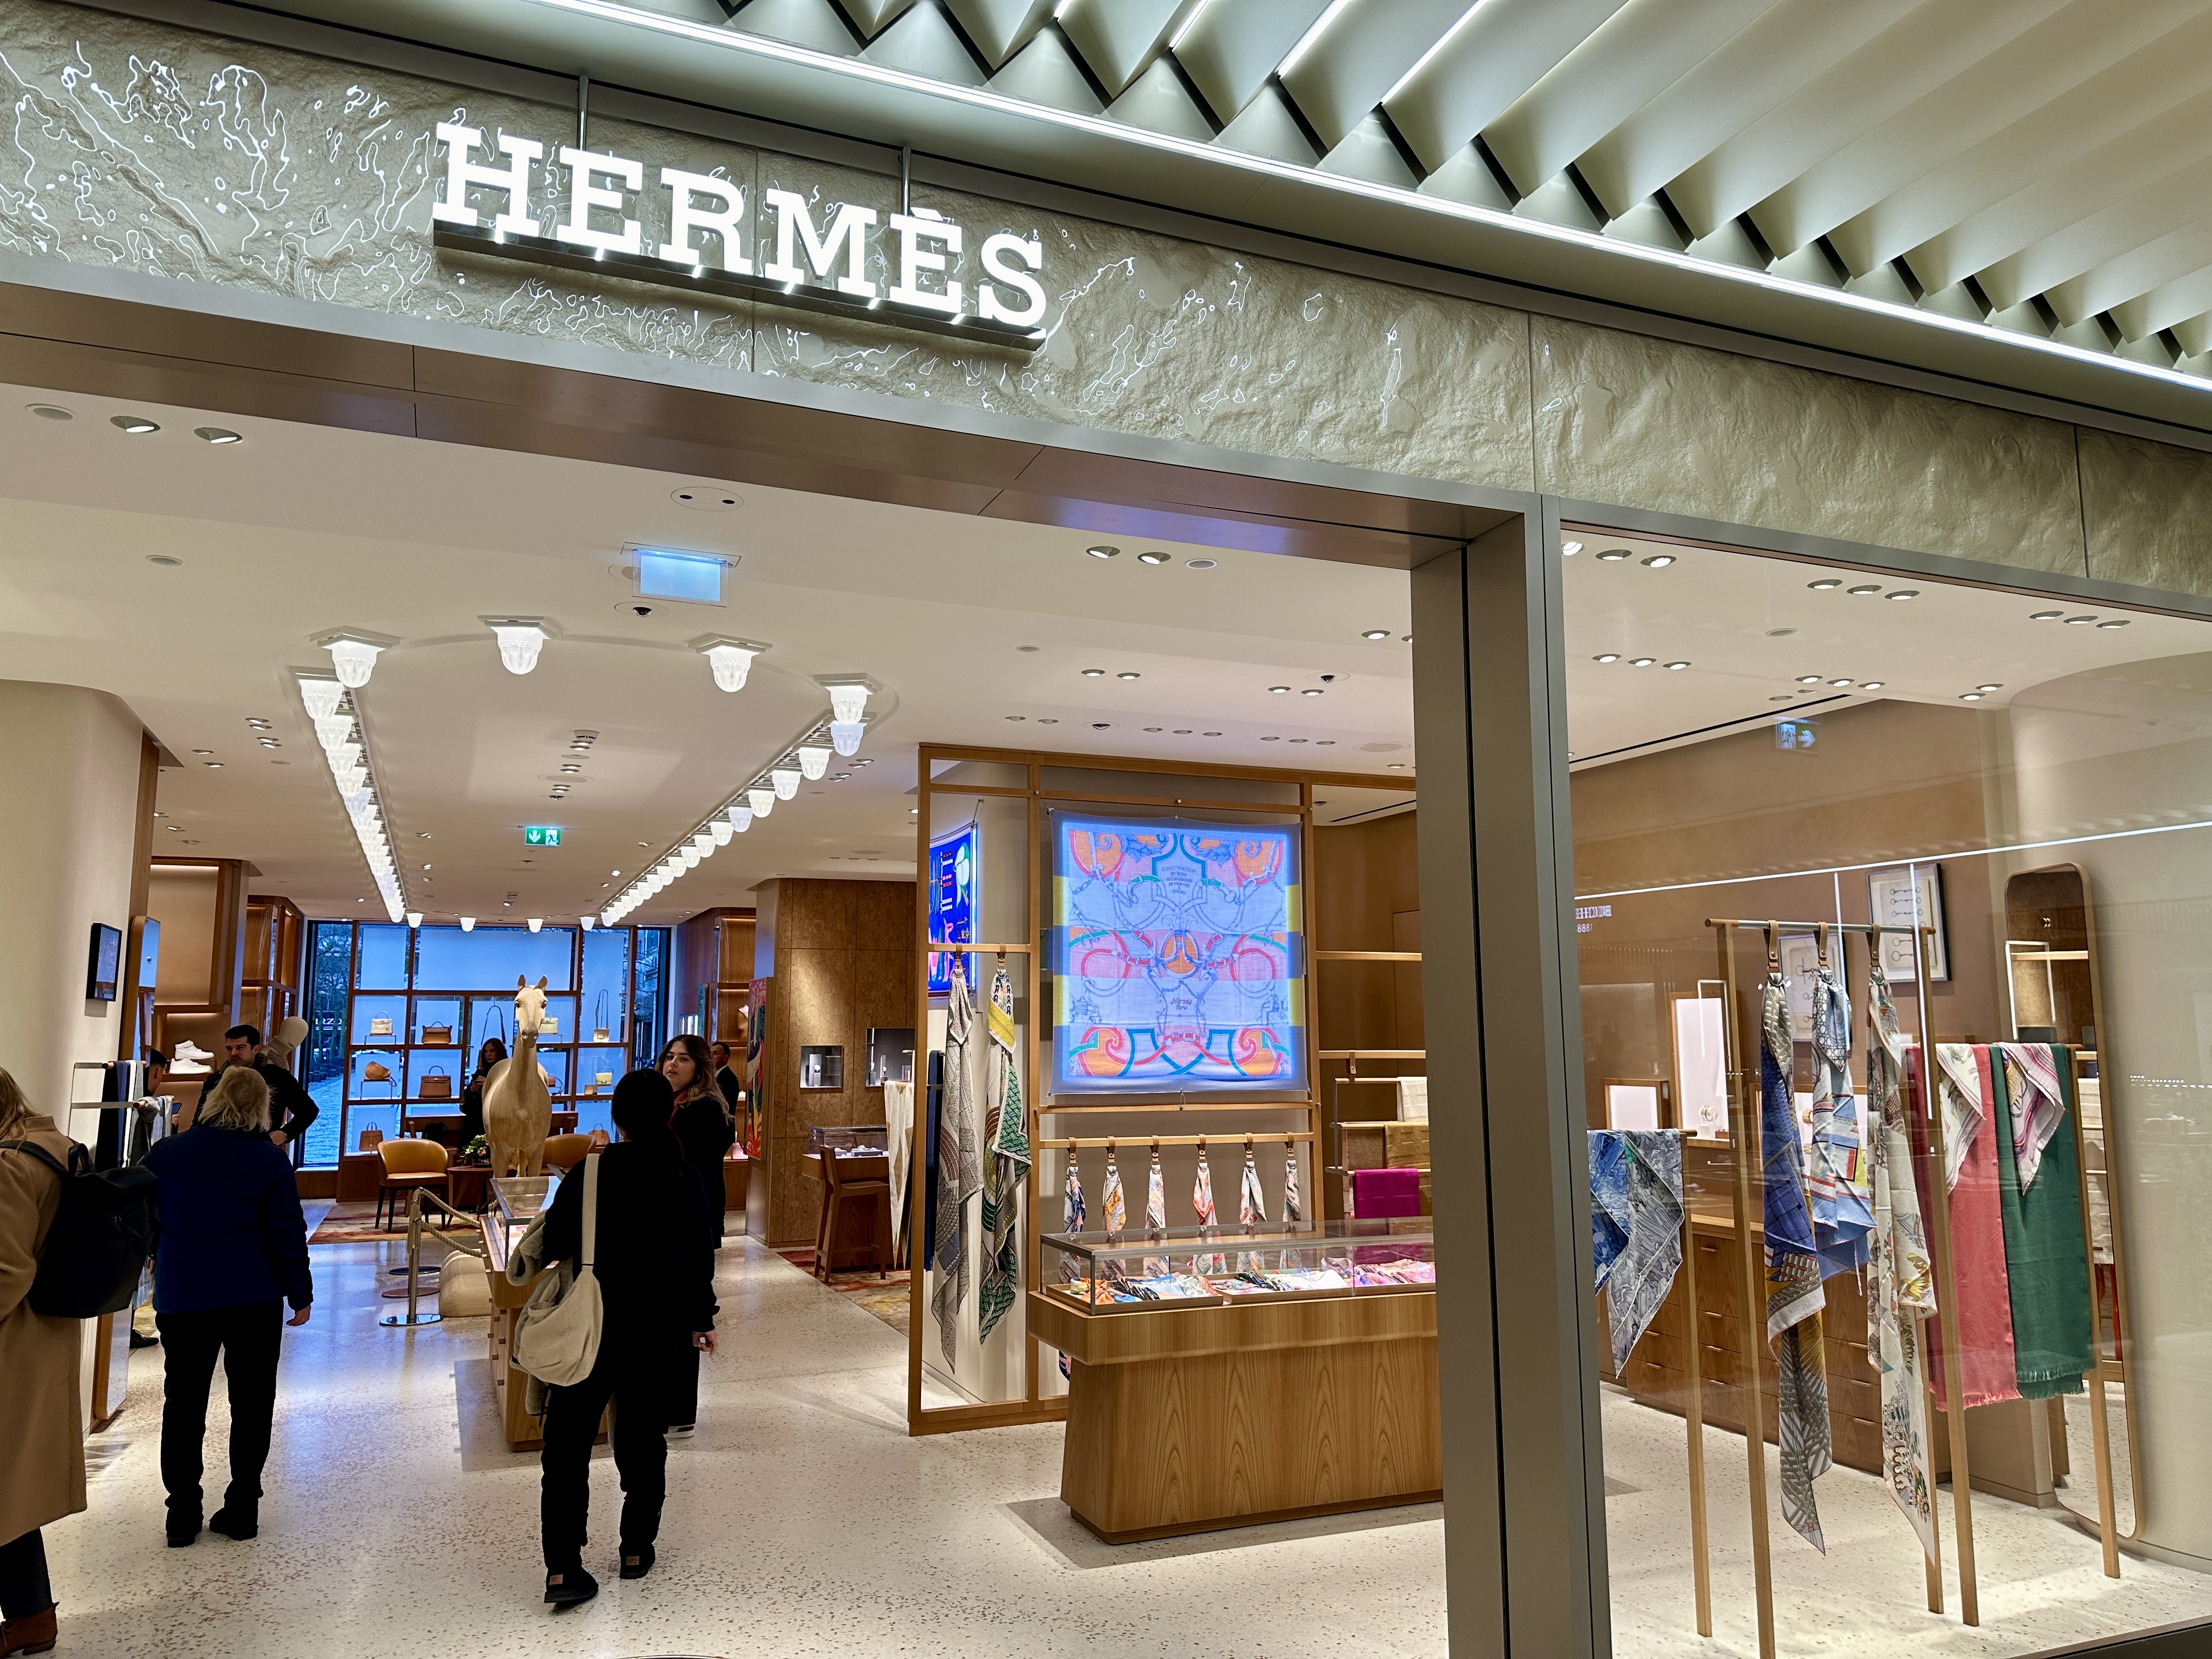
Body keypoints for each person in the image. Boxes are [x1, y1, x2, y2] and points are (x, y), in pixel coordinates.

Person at [537, 1069, 716, 1610]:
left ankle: (563, 1567)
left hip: (589, 1325)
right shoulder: (683, 1175)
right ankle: (636, 1547)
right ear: (670, 1113)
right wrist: (701, 1319)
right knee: (642, 1438)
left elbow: (554, 1243)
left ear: (616, 1117)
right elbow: (698, 1258)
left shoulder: (590, 1172)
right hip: (656, 1325)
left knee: (568, 1444)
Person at [140, 1066, 313, 1547]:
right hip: (253, 1294)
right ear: (263, 1107)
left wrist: (155, 1254)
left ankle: (181, 1513)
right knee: (253, 1402)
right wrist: (300, 1292)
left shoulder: (166, 1154)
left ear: (212, 1100)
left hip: (184, 1292)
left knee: (184, 1402)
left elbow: (143, 1214)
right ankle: (242, 1509)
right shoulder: (268, 1159)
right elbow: (287, 1231)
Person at [0, 1068, 84, 1658]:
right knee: (12, 1487)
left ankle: (32, 1616)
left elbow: (8, 1271)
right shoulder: (56, 1146)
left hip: (13, 1341)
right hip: (44, 1334)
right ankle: (32, 1615)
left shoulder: (9, 1164)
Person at [199, 1025, 318, 1160]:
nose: (233, 1053)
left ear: (256, 1049)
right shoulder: (215, 1080)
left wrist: (284, 1134)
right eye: (229, 1048)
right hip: (220, 1153)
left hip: (262, 1152)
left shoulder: (278, 1077)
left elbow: (308, 1111)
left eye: (240, 1048)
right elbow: (200, 1119)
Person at [662, 1036, 735, 1249]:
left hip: (689, 1216)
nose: (673, 1063)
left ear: (699, 1068)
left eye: (684, 1059)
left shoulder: (705, 1107)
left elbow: (691, 1169)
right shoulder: (669, 1102)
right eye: (670, 1057)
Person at [460, 1037, 507, 1148]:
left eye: (492, 1051)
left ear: (499, 1052)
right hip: (476, 1117)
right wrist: (472, 1089)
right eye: (485, 1052)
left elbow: (507, 1095)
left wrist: (488, 1084)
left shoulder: (506, 1071)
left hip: (495, 1118)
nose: (488, 1055)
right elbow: (466, 1095)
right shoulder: (482, 1070)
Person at [709, 1041, 743, 1115]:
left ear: (725, 1058)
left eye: (715, 1054)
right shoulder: (715, 1075)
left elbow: (721, 1105)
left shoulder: (729, 1078)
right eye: (710, 1053)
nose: (711, 1057)